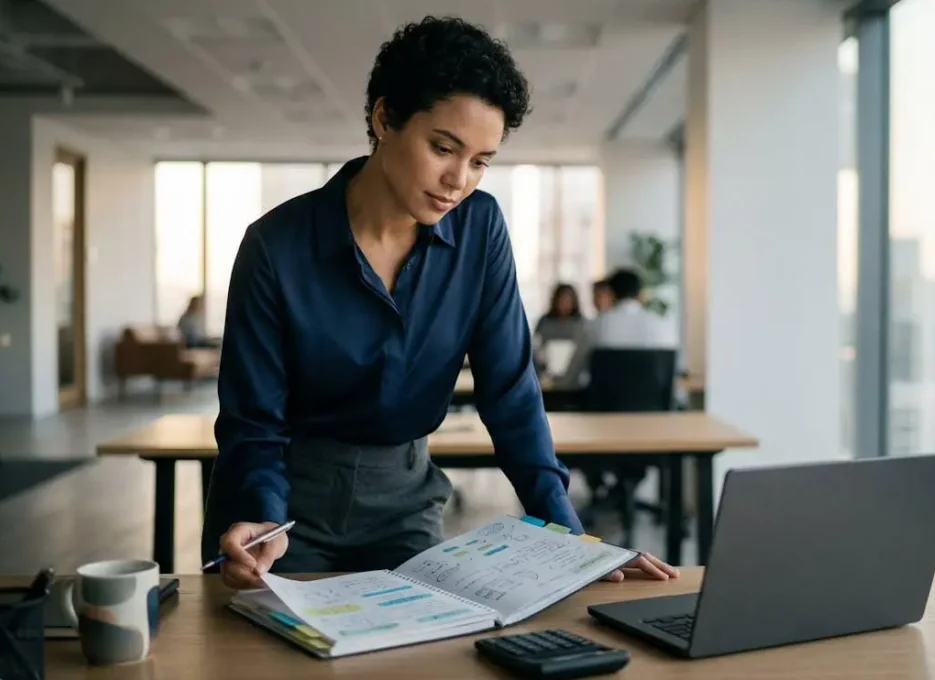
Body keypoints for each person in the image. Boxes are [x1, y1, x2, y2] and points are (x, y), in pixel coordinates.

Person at [202, 17, 677, 590]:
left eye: (480, 161)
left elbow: (510, 391)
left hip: (407, 500)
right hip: (286, 507)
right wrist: (259, 514)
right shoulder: (276, 245)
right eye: (443, 148)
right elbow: (254, 419)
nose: (458, 181)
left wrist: (570, 537)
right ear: (384, 120)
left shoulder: (481, 229)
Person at [533, 283, 587, 384]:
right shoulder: (545, 322)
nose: (564, 304)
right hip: (547, 375)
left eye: (568, 300)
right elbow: (537, 347)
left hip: (574, 375)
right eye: (561, 300)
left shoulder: (580, 323)